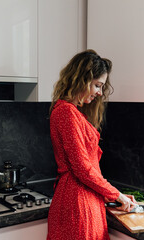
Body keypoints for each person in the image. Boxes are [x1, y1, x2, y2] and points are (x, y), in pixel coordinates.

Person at [47, 49, 137, 240]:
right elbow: (82, 168)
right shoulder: (66, 113)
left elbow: (88, 168)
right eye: (97, 85)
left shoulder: (69, 112)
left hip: (83, 198)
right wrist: (116, 195)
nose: (100, 92)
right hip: (77, 203)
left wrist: (112, 194)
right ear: (81, 79)